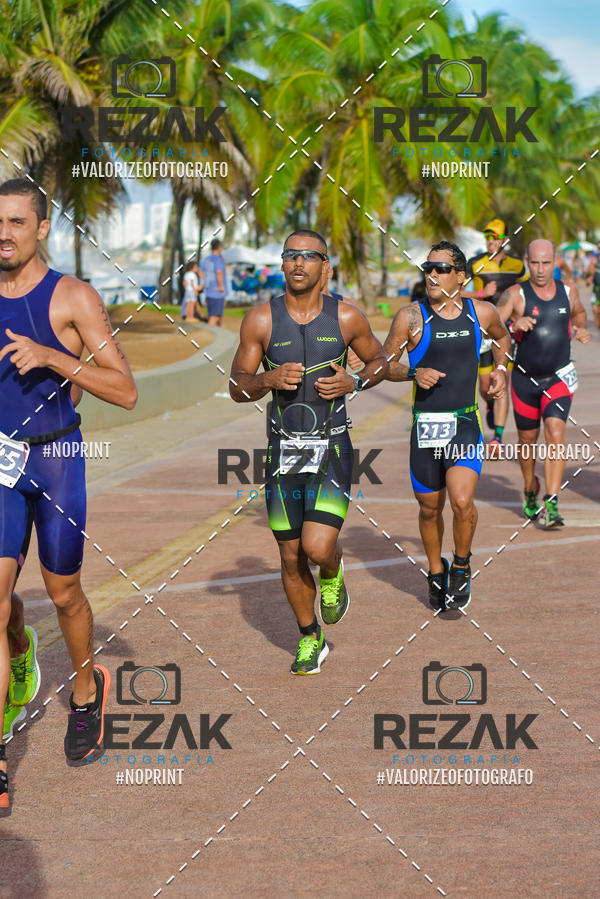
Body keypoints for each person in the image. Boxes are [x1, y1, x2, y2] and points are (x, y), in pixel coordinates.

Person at [0, 178, 137, 810]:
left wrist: (53, 358)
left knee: (63, 592)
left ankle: (86, 688)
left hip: (56, 459)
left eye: (17, 223)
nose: (4, 233)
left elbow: (124, 389)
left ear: (43, 227)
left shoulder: (73, 297)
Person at [229, 229, 388, 674]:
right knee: (289, 554)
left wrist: (355, 382)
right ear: (282, 265)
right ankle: (309, 637)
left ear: (325, 268)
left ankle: (333, 572)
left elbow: (380, 363)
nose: (298, 263)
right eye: (290, 255)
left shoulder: (347, 318)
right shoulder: (260, 320)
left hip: (332, 447)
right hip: (283, 453)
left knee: (317, 549)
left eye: (308, 256)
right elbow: (236, 385)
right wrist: (266, 380)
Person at [383, 240, 510, 611]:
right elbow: (382, 366)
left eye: (441, 268)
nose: (432, 274)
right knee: (428, 509)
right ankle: (436, 570)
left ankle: (462, 564)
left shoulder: (481, 313)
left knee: (461, 500)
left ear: (460, 276)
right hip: (424, 428)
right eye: (428, 268)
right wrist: (412, 371)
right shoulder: (411, 317)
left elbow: (503, 338)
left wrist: (501, 370)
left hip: (464, 422)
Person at [497, 238, 590, 527]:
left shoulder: (569, 291)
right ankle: (529, 487)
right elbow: (492, 330)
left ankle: (552, 503)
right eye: (534, 263)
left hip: (558, 378)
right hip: (524, 381)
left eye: (546, 263)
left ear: (555, 262)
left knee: (555, 432)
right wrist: (513, 326)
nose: (539, 269)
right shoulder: (515, 294)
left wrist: (581, 328)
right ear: (527, 261)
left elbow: (579, 314)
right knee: (527, 441)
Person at [462, 219, 527, 457]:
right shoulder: (475, 264)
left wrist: (520, 318)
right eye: (488, 237)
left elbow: (524, 292)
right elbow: (454, 292)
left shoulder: (518, 265)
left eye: (495, 237)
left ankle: (497, 438)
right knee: (484, 387)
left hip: (506, 332)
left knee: (501, 380)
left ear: (505, 240)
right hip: (481, 332)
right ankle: (489, 405)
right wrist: (481, 293)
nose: (491, 241)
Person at [201, 238, 227, 326]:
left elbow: (200, 271)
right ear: (219, 247)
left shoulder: (206, 259)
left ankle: (223, 335)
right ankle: (206, 336)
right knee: (215, 317)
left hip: (208, 292)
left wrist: (206, 281)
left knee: (218, 317)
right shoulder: (218, 259)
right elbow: (219, 272)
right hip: (217, 293)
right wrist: (221, 286)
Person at [585, 240, 600, 329]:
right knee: (596, 310)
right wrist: (589, 278)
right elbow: (589, 274)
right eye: (599, 248)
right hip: (597, 289)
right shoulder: (595, 260)